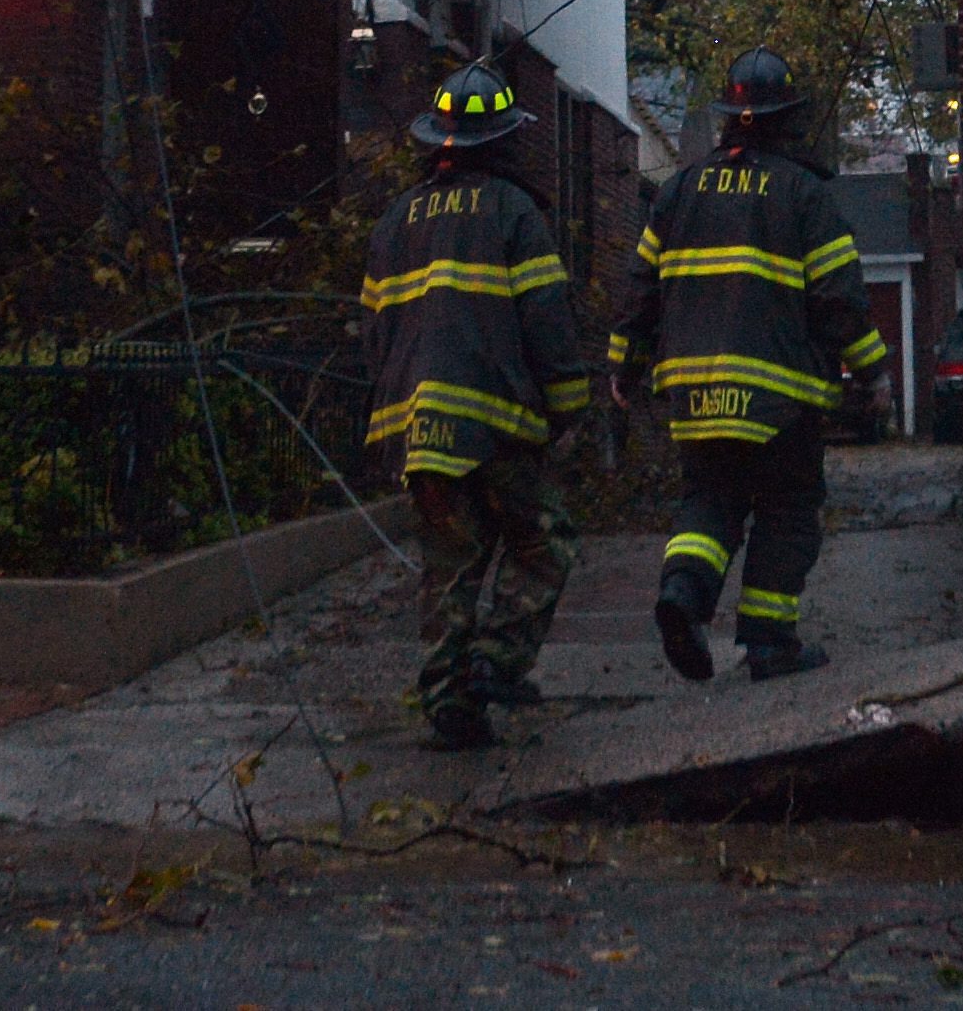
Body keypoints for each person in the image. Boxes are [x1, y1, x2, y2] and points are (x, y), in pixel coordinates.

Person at [612, 47, 885, 683]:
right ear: (788, 117)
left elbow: (640, 287)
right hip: (779, 400)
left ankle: (683, 596)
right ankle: (767, 644)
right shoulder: (804, 194)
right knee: (788, 510)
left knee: (709, 501)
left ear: (731, 116)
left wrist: (624, 365)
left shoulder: (679, 191)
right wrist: (873, 374)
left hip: (694, 393)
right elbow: (840, 297)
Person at [361, 59, 593, 750]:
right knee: (543, 543)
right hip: (497, 425)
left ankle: (446, 701)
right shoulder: (512, 211)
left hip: (419, 429)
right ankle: (496, 663)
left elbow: (374, 332)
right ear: (503, 140)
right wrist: (570, 409)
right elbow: (547, 319)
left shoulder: (395, 220)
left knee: (449, 563)